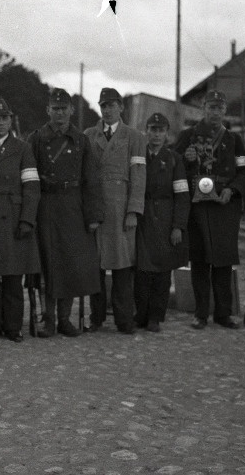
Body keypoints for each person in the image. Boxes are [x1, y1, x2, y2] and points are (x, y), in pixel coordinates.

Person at [28, 88, 103, 338]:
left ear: (71, 110)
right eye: (55, 109)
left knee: (71, 263)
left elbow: (91, 179)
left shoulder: (81, 140)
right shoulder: (37, 139)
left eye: (64, 109)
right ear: (48, 110)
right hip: (46, 205)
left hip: (73, 206)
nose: (59, 113)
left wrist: (93, 217)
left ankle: (64, 319)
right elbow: (29, 178)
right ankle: (48, 320)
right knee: (48, 265)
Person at [174, 90, 245, 330]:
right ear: (203, 109)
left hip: (223, 206)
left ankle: (223, 314)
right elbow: (173, 166)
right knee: (199, 261)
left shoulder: (234, 140)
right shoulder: (188, 136)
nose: (215, 112)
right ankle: (200, 314)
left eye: (219, 108)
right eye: (211, 107)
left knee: (223, 261)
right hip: (197, 208)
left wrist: (233, 190)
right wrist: (185, 160)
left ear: (224, 111)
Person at [0, 98, 41, 342]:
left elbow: (32, 187)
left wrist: (27, 220)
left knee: (14, 278)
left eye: (5, 118)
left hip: (14, 218)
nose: (1, 123)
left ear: (11, 120)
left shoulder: (22, 149)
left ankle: (13, 327)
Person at [84, 87, 146, 334]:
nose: (107, 110)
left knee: (122, 267)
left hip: (121, 208)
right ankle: (96, 317)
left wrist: (133, 210)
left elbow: (139, 176)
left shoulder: (134, 137)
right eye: (103, 106)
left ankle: (123, 319)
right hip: (98, 206)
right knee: (96, 266)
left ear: (121, 107)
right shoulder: (89, 135)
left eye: (111, 105)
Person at [134, 112, 190, 332]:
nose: (156, 135)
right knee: (141, 270)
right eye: (152, 129)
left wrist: (178, 226)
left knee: (162, 271)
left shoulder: (174, 159)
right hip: (143, 216)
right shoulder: (138, 156)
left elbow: (182, 195)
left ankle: (156, 316)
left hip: (166, 217)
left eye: (160, 130)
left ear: (167, 134)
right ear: (146, 131)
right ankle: (141, 313)